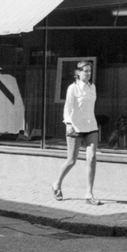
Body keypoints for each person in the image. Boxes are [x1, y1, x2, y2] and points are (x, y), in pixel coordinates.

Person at [52, 60, 101, 205]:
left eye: (90, 71)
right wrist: (68, 124)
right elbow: (67, 108)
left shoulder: (92, 87)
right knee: (71, 161)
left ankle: (89, 193)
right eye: (86, 71)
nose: (88, 74)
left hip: (91, 127)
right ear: (78, 72)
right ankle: (57, 184)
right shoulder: (72, 88)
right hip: (75, 127)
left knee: (92, 158)